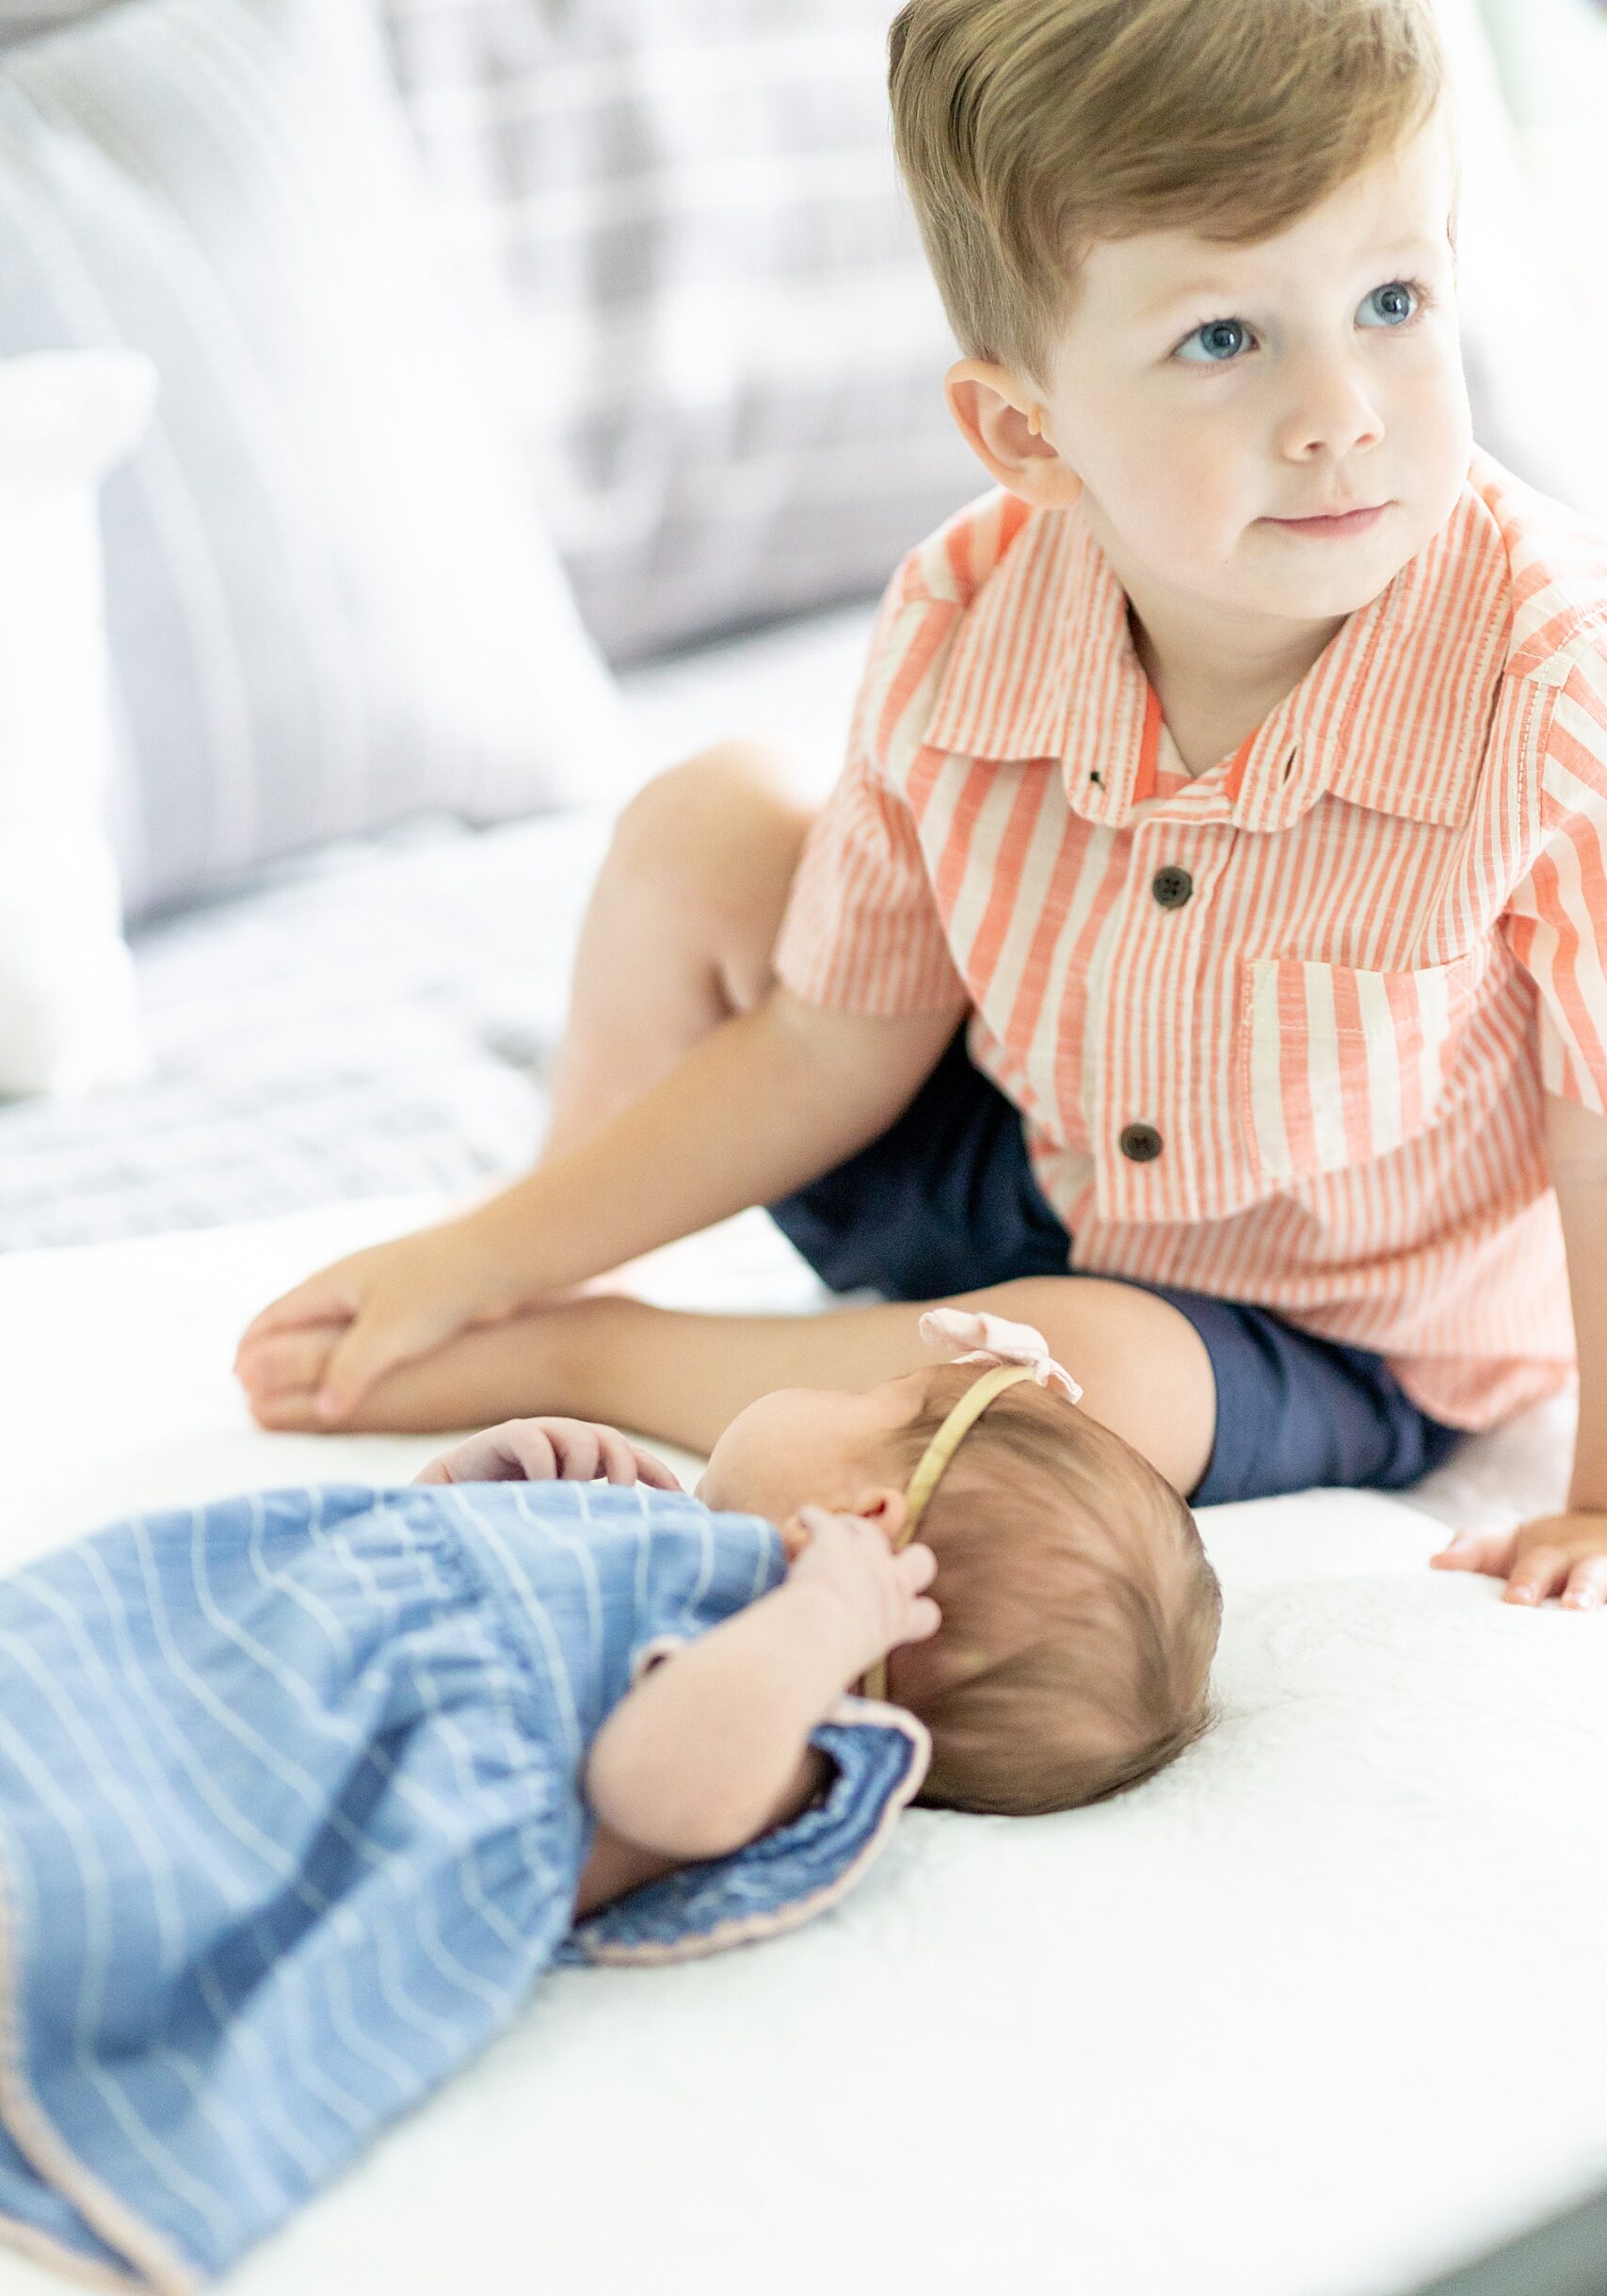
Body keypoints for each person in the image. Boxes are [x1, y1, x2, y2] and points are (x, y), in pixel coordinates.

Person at [236, 0, 1607, 1607]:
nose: (1342, 411)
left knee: (1081, 1372)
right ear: (1027, 431)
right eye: (1224, 340)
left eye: (1392, 300)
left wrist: (1599, 1496)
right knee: (708, 823)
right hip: (1024, 1149)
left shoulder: (1545, 694)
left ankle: (609, 1354)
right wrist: (480, 1248)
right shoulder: (965, 616)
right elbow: (835, 1041)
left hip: (1323, 1329)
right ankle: (548, 1281)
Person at [0, 1315, 1220, 2296]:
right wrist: (478, 1497)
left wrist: (819, 1627)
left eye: (863, 1406)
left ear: (862, 1526)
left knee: (98, 1833)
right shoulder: (680, 1559)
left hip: (265, 1773)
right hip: (240, 1649)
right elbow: (427, 1614)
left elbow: (650, 1789)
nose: (836, 1384)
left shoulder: (792, 1725)